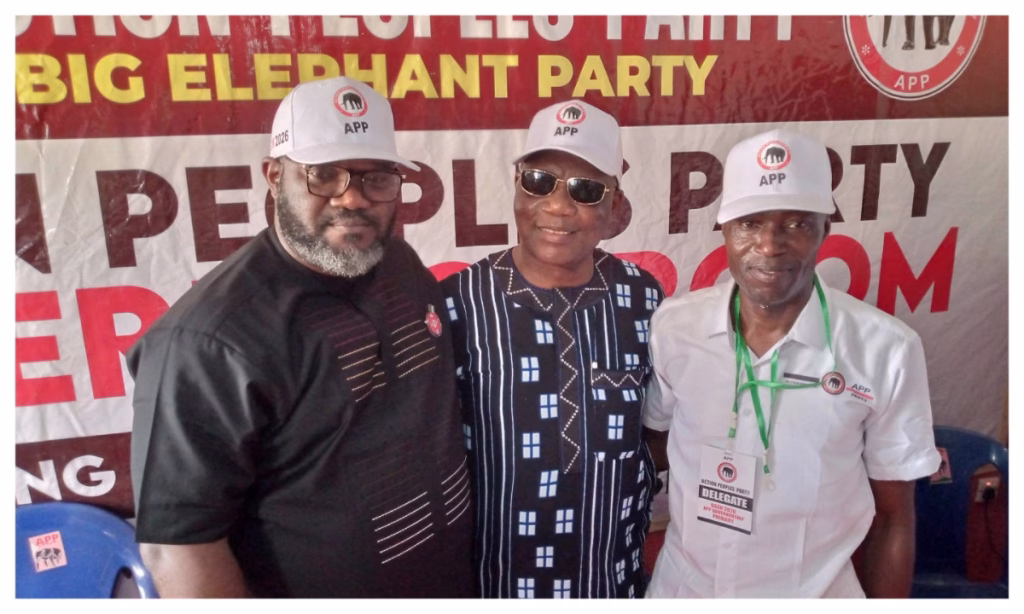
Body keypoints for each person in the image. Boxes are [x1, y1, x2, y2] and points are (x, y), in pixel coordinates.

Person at [128, 76, 473, 598]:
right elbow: (180, 544)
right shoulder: (207, 341)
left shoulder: (400, 264)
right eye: (324, 174)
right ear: (274, 176)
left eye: (376, 177)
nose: (352, 197)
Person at [642, 128, 941, 598]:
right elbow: (655, 441)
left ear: (826, 229)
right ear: (724, 228)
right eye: (749, 223)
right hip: (683, 592)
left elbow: (893, 517)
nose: (769, 245)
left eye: (797, 224)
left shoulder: (886, 350)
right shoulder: (676, 327)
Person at [441, 100, 663, 598]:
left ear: (614, 206)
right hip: (494, 583)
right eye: (539, 181)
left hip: (612, 580)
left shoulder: (643, 297)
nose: (558, 207)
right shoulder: (459, 303)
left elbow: (658, 430)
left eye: (586, 190)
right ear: (516, 184)